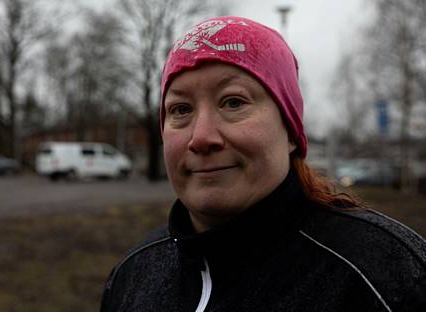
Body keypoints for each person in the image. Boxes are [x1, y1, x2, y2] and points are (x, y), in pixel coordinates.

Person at [100, 16, 426, 312]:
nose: (200, 138)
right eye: (181, 109)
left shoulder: (384, 276)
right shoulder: (134, 274)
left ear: (290, 133)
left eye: (233, 101)